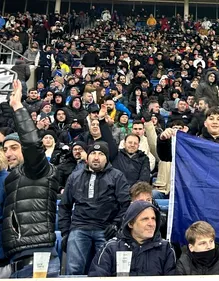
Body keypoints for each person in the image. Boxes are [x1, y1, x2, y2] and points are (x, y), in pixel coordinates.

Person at [2, 80, 60, 278]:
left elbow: (32, 143)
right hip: (14, 261)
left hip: (38, 258)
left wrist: (18, 107)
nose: (8, 153)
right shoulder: (11, 178)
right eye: (5, 149)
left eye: (14, 148)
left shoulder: (38, 169)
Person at [59, 141, 131, 275]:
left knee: (105, 271)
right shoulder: (75, 177)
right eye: (93, 153)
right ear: (87, 157)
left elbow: (126, 205)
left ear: (107, 158)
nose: (96, 157)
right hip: (79, 227)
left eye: (101, 154)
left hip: (106, 229)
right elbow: (64, 206)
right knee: (73, 270)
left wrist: (116, 225)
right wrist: (64, 232)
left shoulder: (117, 176)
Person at [88, 201, 176, 276]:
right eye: (145, 219)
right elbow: (97, 276)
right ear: (130, 224)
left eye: (153, 219)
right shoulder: (111, 248)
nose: (151, 223)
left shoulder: (166, 248)